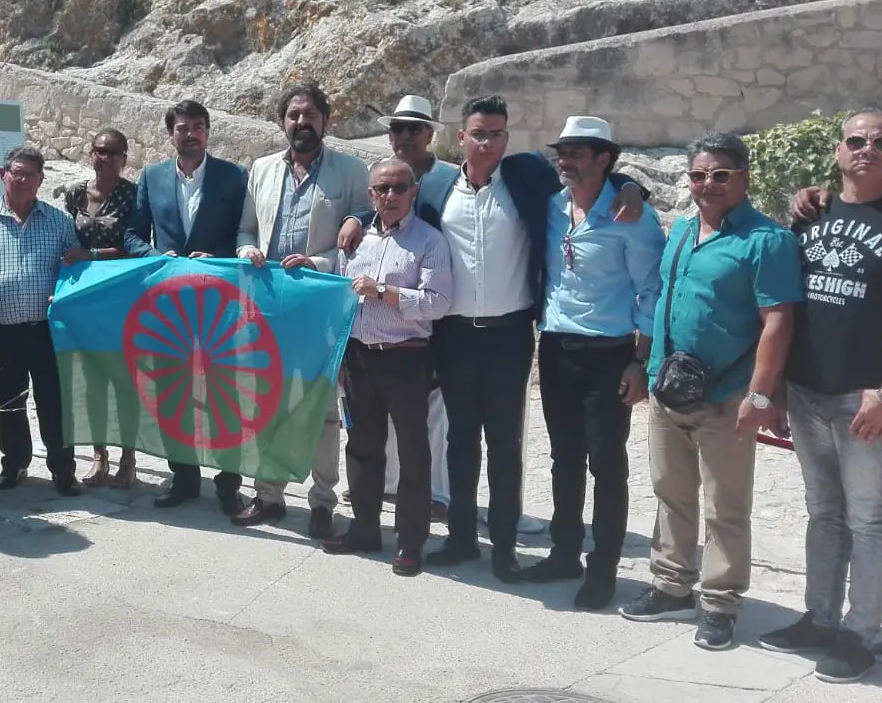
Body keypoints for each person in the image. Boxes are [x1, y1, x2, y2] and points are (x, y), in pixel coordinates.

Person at [338, 95, 646, 583]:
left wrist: (631, 186)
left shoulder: (527, 178)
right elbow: (392, 200)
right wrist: (357, 216)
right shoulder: (438, 188)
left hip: (509, 334)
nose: (487, 143)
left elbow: (589, 174)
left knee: (504, 443)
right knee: (460, 440)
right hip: (454, 335)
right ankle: (461, 537)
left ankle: (503, 546)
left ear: (507, 138)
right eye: (478, 134)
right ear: (460, 137)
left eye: (497, 134)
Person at [620, 132, 801, 652]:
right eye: (699, 175)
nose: (708, 184)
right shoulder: (680, 231)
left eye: (721, 174)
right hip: (668, 385)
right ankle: (672, 585)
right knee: (670, 492)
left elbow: (778, 322)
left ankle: (721, 603)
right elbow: (663, 299)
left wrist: (760, 395)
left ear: (744, 178)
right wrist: (643, 363)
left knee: (725, 505)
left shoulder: (767, 241)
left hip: (727, 394)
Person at [757, 108, 882, 683]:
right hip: (807, 391)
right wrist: (773, 387)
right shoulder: (812, 212)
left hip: (867, 399)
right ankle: (819, 619)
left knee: (869, 520)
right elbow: (789, 306)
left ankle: (859, 635)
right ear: (839, 150)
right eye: (856, 140)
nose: (868, 148)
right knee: (823, 513)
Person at [523, 116, 664, 612]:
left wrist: (640, 361)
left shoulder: (634, 217)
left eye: (577, 153)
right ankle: (564, 555)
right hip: (556, 348)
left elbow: (652, 290)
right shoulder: (552, 206)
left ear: (604, 159)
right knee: (564, 459)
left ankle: (603, 570)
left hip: (609, 354)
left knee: (606, 463)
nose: (565, 161)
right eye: (562, 151)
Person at [234, 83, 368, 539]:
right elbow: (246, 228)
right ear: (282, 122)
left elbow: (361, 235)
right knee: (266, 401)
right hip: (268, 306)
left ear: (326, 120)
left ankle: (322, 502)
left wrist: (317, 262)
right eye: (293, 115)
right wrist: (247, 250)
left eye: (309, 114)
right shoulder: (262, 169)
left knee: (323, 411)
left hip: (320, 308)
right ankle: (268, 495)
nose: (301, 122)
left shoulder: (351, 171)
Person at [326, 160, 452, 576]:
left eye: (400, 188)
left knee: (413, 453)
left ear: (414, 192)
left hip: (407, 358)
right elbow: (342, 299)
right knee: (362, 448)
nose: (391, 196)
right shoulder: (355, 241)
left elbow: (437, 303)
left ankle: (410, 542)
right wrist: (340, 355)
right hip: (360, 357)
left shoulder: (429, 241)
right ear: (371, 195)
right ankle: (364, 530)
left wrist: (384, 291)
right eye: (383, 189)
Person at [125, 100, 249, 513]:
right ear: (171, 134)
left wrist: (218, 258)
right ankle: (184, 478)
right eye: (182, 128)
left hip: (219, 306)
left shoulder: (233, 176)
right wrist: (157, 258)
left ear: (208, 132)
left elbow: (246, 233)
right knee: (173, 395)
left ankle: (228, 484)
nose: (191, 134)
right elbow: (133, 235)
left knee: (224, 397)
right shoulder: (152, 176)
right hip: (170, 308)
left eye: (198, 126)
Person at [0, 146, 89, 496]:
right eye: (17, 172)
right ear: (3, 175)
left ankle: (63, 470)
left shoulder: (59, 221)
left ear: (41, 179)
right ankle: (14, 463)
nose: (24, 180)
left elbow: (75, 268)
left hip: (48, 331)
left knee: (54, 402)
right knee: (10, 401)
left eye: (31, 174)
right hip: (1, 331)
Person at [56, 129, 138, 489]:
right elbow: (66, 240)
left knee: (123, 381)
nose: (105, 158)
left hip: (120, 296)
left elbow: (134, 245)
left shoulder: (132, 195)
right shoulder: (75, 193)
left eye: (113, 152)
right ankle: (99, 456)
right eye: (99, 151)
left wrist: (91, 254)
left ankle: (128, 459)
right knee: (90, 380)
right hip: (84, 296)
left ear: (124, 158)